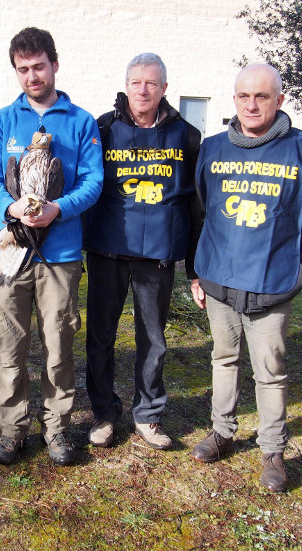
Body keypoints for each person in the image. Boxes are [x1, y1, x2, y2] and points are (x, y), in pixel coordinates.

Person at [189, 63, 302, 492]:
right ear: (234, 99)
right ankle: (222, 432)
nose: (251, 104)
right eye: (243, 96)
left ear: (279, 100)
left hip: (272, 285)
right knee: (222, 360)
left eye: (262, 96)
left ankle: (272, 451)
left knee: (270, 372)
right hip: (219, 280)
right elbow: (200, 214)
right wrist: (196, 272)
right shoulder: (212, 148)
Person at [0, 26, 103, 466]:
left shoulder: (82, 121)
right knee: (9, 345)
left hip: (60, 256)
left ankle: (58, 431)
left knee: (58, 346)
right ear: (16, 71)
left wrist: (58, 210)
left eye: (39, 67)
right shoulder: (1, 122)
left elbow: (94, 181)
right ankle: (13, 431)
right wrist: (11, 209)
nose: (32, 76)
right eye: (23, 69)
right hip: (11, 252)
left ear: (54, 64)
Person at [84, 53, 201, 450]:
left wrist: (195, 263)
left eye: (152, 83)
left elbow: (195, 202)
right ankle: (103, 413)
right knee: (101, 336)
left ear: (165, 88)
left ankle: (148, 415)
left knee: (153, 338)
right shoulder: (102, 128)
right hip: (107, 249)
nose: (143, 90)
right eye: (136, 82)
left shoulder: (186, 135)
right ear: (126, 85)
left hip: (157, 253)